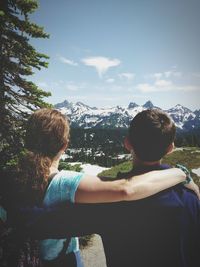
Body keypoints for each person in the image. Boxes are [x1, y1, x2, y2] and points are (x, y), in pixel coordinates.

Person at [3, 108, 199, 267]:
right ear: (170, 148)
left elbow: (41, 224)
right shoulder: (191, 196)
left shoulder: (110, 205)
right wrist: (182, 174)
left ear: (127, 143)